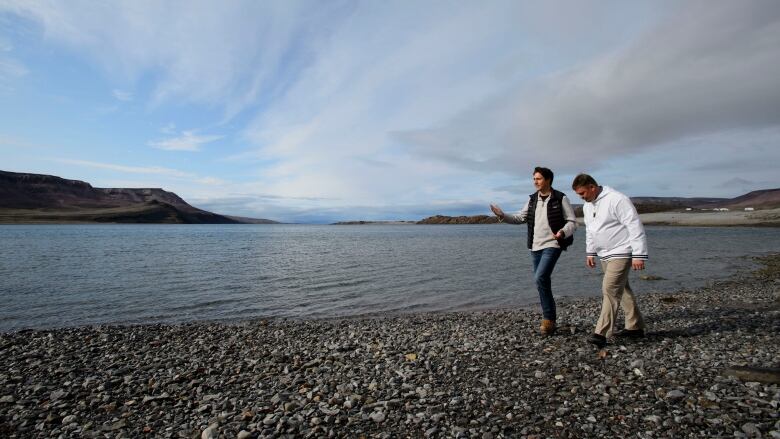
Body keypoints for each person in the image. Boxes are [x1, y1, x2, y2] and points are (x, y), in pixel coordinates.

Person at [490, 167, 577, 335]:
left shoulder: (560, 198)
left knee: (540, 277)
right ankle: (550, 321)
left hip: (553, 244)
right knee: (541, 282)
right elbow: (520, 218)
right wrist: (502, 215)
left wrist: (562, 232)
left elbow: (572, 222)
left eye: (538, 179)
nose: (535, 182)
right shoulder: (532, 200)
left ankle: (548, 318)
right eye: (534, 179)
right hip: (535, 246)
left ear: (548, 180)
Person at [571, 173, 647, 349]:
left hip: (622, 251)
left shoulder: (618, 200)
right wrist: (590, 252)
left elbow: (634, 225)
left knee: (609, 289)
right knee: (623, 288)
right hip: (604, 254)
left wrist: (639, 254)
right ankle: (635, 327)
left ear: (592, 187)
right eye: (579, 195)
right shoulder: (587, 206)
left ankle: (601, 333)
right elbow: (590, 230)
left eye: (583, 193)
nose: (581, 197)